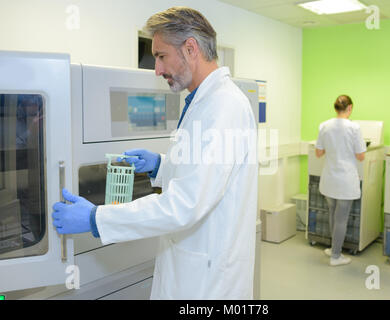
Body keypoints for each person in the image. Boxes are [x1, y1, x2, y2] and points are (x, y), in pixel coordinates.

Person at [52, 7, 258, 299]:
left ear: (190, 48)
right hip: (194, 265)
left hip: (208, 282)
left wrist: (96, 218)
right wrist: (161, 165)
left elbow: (185, 204)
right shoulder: (204, 101)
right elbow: (202, 171)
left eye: (161, 56)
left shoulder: (223, 106)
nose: (157, 69)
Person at [315, 95, 366, 266]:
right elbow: (360, 156)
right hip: (345, 180)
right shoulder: (354, 128)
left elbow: (318, 153)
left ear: (335, 107)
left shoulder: (324, 126)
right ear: (349, 108)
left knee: (332, 213)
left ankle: (332, 248)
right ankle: (336, 256)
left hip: (330, 178)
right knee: (341, 218)